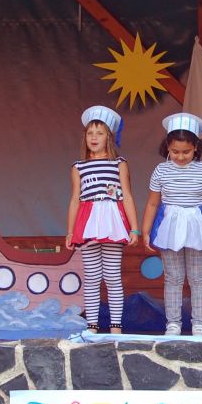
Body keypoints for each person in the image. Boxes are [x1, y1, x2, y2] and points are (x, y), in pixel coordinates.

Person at [141, 113, 202, 337]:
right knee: (173, 277)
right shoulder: (161, 170)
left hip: (197, 227)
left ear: (196, 147)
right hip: (170, 227)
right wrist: (145, 231)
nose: (180, 156)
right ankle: (173, 324)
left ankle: (200, 323)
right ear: (167, 146)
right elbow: (152, 203)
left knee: (198, 277)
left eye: (186, 152)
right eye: (175, 151)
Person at [66, 105, 140, 334]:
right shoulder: (78, 166)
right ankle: (92, 325)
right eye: (90, 133)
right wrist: (70, 231)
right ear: (85, 137)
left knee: (112, 276)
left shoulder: (119, 163)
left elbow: (126, 196)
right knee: (91, 277)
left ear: (109, 136)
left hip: (112, 222)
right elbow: (75, 200)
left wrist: (134, 228)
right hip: (87, 222)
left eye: (99, 133)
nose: (94, 137)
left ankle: (116, 326)